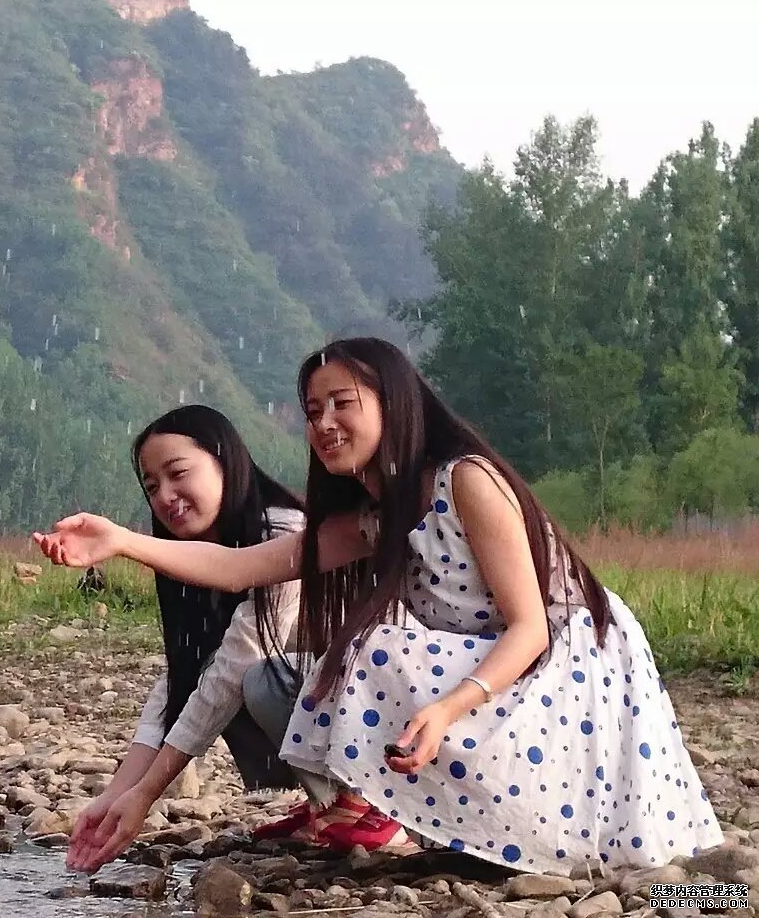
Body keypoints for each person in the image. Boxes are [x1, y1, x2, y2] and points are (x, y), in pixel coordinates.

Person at [36, 338, 722, 875]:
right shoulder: (375, 517)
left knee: (644, 873)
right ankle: (409, 822)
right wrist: (120, 541)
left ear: (393, 403)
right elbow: (241, 569)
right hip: (492, 671)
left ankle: (713, 895)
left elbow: (530, 628)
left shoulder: (466, 481)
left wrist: (447, 709)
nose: (324, 423)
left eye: (342, 403)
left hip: (570, 669)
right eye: (312, 412)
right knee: (572, 865)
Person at [65, 405, 363, 875]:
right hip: (336, 699)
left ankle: (369, 806)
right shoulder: (198, 555)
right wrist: (115, 795)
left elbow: (235, 665)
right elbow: (182, 679)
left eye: (178, 473)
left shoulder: (284, 531)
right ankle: (328, 804)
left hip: (381, 707)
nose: (166, 496)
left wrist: (145, 795)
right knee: (216, 681)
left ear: (225, 461)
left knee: (261, 681)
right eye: (151, 486)